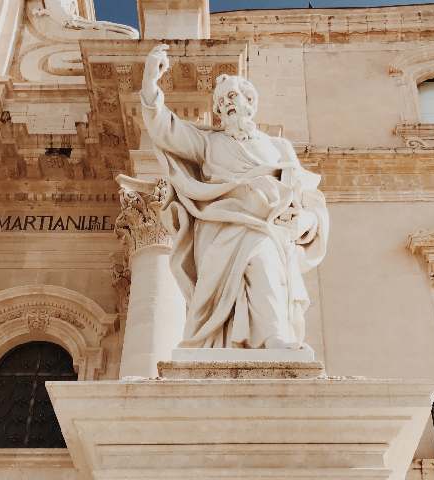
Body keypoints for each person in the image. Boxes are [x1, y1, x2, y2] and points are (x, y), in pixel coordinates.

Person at [141, 44, 329, 349]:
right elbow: (166, 129)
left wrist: (304, 220)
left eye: (232, 97)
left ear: (249, 102)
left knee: (263, 259)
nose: (226, 104)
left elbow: (305, 196)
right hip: (220, 227)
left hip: (267, 227)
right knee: (238, 272)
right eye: (220, 101)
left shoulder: (278, 147)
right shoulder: (207, 143)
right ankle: (246, 340)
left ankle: (273, 337)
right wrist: (150, 83)